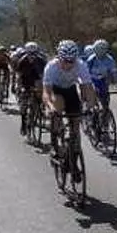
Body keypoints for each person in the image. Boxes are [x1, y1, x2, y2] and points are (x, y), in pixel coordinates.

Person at [42, 40, 99, 169]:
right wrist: (50, 107)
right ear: (59, 58)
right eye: (65, 61)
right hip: (56, 91)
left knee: (76, 125)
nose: (68, 64)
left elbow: (88, 87)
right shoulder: (51, 67)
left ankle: (74, 158)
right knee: (56, 110)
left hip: (71, 90)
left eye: (71, 61)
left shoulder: (81, 65)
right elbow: (46, 92)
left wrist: (90, 106)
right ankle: (54, 143)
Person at [15, 41, 48, 135]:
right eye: (30, 54)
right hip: (25, 81)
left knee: (40, 96)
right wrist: (19, 87)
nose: (32, 56)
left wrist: (43, 90)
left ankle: (39, 109)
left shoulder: (41, 61)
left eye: (34, 54)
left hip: (37, 80)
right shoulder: (22, 61)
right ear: (26, 53)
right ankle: (23, 123)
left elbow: (45, 76)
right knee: (24, 102)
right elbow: (18, 76)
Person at [86, 38, 117, 111]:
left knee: (105, 97)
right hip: (93, 79)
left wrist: (116, 83)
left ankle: (105, 108)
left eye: (103, 50)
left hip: (104, 79)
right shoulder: (91, 59)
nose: (100, 52)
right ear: (95, 50)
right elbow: (87, 73)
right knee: (93, 92)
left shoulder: (109, 59)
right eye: (98, 50)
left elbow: (114, 72)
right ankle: (92, 107)